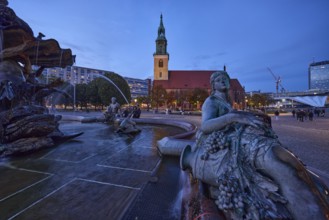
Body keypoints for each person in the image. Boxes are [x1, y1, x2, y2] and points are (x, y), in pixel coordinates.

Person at [185, 71, 329, 219]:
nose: (223, 81)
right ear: (213, 85)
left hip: (241, 137)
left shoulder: (226, 101)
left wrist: (244, 116)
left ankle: (309, 196)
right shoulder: (211, 102)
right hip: (231, 142)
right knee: (278, 161)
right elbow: (205, 126)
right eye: (219, 80)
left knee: (285, 158)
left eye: (225, 79)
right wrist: (233, 117)